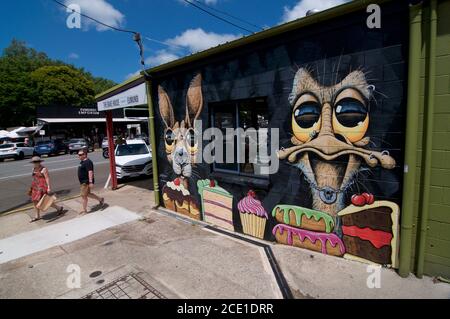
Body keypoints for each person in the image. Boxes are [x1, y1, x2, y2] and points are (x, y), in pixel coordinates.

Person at [29, 156, 64, 222]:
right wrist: (32, 186)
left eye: (36, 162)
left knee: (44, 201)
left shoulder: (44, 169)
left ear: (39, 162)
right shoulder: (33, 169)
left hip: (42, 187)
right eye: (34, 162)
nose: (35, 163)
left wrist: (49, 187)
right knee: (34, 201)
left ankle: (59, 208)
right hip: (35, 187)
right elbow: (33, 178)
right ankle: (37, 216)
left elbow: (47, 178)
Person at [77, 149, 104, 215]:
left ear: (85, 155)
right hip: (83, 182)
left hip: (85, 182)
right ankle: (100, 199)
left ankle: (84, 210)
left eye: (80, 155)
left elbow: (90, 172)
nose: (79, 156)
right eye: (78, 155)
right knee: (88, 194)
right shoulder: (83, 161)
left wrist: (90, 182)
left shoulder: (88, 162)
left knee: (83, 196)